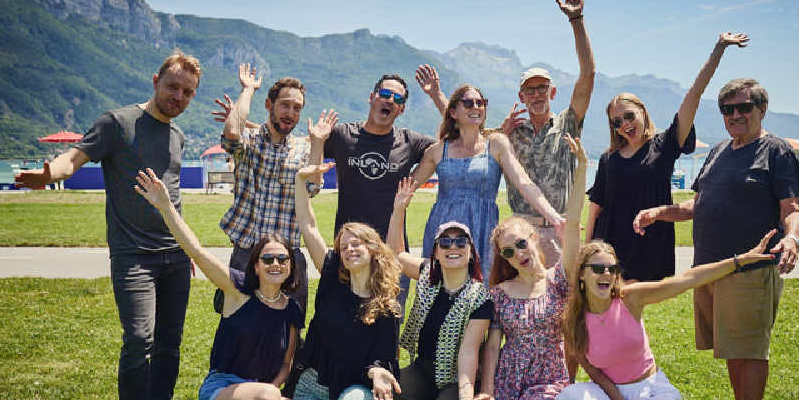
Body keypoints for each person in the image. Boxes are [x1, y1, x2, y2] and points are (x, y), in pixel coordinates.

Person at [15, 51, 202, 400]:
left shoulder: (178, 136)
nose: (178, 96)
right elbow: (74, 158)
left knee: (170, 344)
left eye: (187, 92)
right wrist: (50, 174)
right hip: (133, 255)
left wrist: (186, 247)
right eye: (172, 87)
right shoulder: (117, 123)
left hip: (173, 256)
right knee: (140, 339)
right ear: (155, 81)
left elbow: (172, 194)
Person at [634, 78, 799, 400]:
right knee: (731, 349)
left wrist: (791, 239)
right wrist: (658, 213)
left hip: (750, 269)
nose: (735, 115)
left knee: (749, 351)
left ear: (761, 109)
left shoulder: (774, 151)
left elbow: (791, 209)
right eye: (727, 110)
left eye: (743, 107)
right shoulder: (718, 152)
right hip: (712, 269)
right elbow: (697, 205)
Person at [134, 168, 315, 400]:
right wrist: (165, 206)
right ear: (256, 265)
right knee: (268, 398)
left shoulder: (292, 310)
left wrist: (267, 396)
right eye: (268, 259)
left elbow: (286, 365)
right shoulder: (237, 291)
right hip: (221, 394)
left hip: (260, 395)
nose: (275, 264)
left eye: (282, 259)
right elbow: (197, 252)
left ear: (291, 266)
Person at [555, 232, 776, 400]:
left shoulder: (631, 298)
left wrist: (738, 261)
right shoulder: (572, 319)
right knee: (569, 399)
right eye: (598, 268)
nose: (606, 274)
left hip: (651, 391)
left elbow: (687, 279)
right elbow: (595, 373)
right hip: (610, 396)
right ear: (581, 274)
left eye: (613, 268)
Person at [585, 33, 750, 284]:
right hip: (609, 246)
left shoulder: (664, 145)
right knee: (607, 310)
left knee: (632, 307)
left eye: (629, 116)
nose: (624, 125)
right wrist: (587, 252)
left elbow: (693, 96)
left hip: (646, 243)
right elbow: (596, 208)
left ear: (642, 111)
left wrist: (719, 49)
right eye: (616, 122)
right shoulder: (608, 160)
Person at [475, 134, 586, 400]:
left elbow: (574, 222)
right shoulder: (499, 293)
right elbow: (493, 346)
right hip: (509, 377)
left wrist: (581, 168)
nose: (517, 254)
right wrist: (487, 389)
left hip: (548, 377)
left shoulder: (559, 279)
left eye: (521, 244)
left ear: (535, 240)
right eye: (508, 252)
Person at [287, 162, 402, 400]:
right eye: (344, 246)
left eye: (358, 244)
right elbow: (308, 226)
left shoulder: (387, 303)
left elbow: (383, 356)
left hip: (353, 385)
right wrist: (301, 182)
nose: (350, 249)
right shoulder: (330, 278)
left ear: (373, 250)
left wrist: (378, 373)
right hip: (315, 381)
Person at [306, 74, 437, 315]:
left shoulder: (410, 141)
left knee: (388, 327)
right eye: (385, 94)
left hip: (391, 251)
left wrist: (437, 96)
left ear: (402, 109)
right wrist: (316, 142)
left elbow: (453, 142)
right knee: (341, 322)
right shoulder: (342, 135)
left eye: (397, 98)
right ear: (371, 97)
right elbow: (311, 179)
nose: (389, 100)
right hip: (348, 250)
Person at [213, 63, 335, 316]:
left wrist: (318, 143)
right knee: (238, 319)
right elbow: (233, 132)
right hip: (247, 251)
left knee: (291, 322)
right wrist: (248, 89)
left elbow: (311, 188)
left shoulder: (303, 149)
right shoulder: (250, 141)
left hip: (288, 253)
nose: (291, 112)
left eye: (297, 108)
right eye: (285, 105)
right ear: (269, 105)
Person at [384, 177, 494, 400]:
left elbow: (470, 352)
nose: (452, 247)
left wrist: (466, 396)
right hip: (423, 368)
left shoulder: (480, 297)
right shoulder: (425, 275)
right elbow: (396, 255)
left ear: (471, 253)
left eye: (460, 242)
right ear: (435, 252)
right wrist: (399, 210)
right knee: (386, 392)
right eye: (444, 242)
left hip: (458, 377)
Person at [409, 84, 564, 281]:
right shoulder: (438, 150)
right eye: (468, 102)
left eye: (480, 102)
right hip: (444, 232)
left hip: (483, 230)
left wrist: (555, 219)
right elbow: (407, 188)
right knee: (440, 290)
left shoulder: (496, 144)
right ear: (453, 113)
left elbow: (524, 183)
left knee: (482, 296)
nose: (476, 107)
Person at [498, 0, 596, 269]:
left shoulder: (569, 122)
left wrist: (576, 20)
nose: (537, 94)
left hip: (559, 230)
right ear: (521, 97)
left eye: (542, 88)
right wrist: (501, 133)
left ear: (553, 93)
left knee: (563, 305)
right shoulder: (509, 131)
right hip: (519, 232)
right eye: (530, 90)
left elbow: (588, 75)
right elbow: (469, 146)